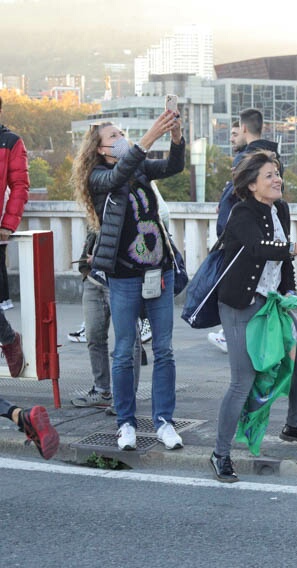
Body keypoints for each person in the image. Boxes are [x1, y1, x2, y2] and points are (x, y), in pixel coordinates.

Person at [71, 111, 185, 452]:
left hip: (158, 271)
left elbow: (172, 167)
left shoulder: (138, 167)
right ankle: (126, 424)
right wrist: (148, 137)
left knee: (163, 350)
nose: (121, 139)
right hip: (123, 276)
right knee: (123, 351)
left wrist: (176, 138)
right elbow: (118, 175)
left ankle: (164, 421)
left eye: (123, 134)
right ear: (101, 149)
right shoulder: (99, 176)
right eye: (114, 137)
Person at [211, 149, 297, 483]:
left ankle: (294, 425)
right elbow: (258, 247)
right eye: (269, 176)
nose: (277, 180)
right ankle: (220, 453)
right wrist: (294, 249)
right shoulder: (241, 212)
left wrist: (289, 292)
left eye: (278, 173)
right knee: (242, 380)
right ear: (251, 185)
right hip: (239, 304)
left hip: (273, 302)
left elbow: (283, 259)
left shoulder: (281, 209)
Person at [208, 109, 276, 355]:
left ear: (245, 129)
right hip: (258, 231)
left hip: (241, 237)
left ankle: (232, 335)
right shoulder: (272, 154)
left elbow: (238, 195)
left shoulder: (248, 158)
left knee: (240, 285)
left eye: (236, 133)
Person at [71, 230, 142, 413]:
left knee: (128, 339)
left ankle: (126, 397)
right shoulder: (95, 204)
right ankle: (102, 391)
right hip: (93, 278)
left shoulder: (135, 202)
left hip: (121, 278)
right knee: (94, 336)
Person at [0, 96, 29, 377]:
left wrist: (8, 225)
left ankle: (9, 339)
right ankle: (8, 338)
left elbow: (20, 185)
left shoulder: (10, 141)